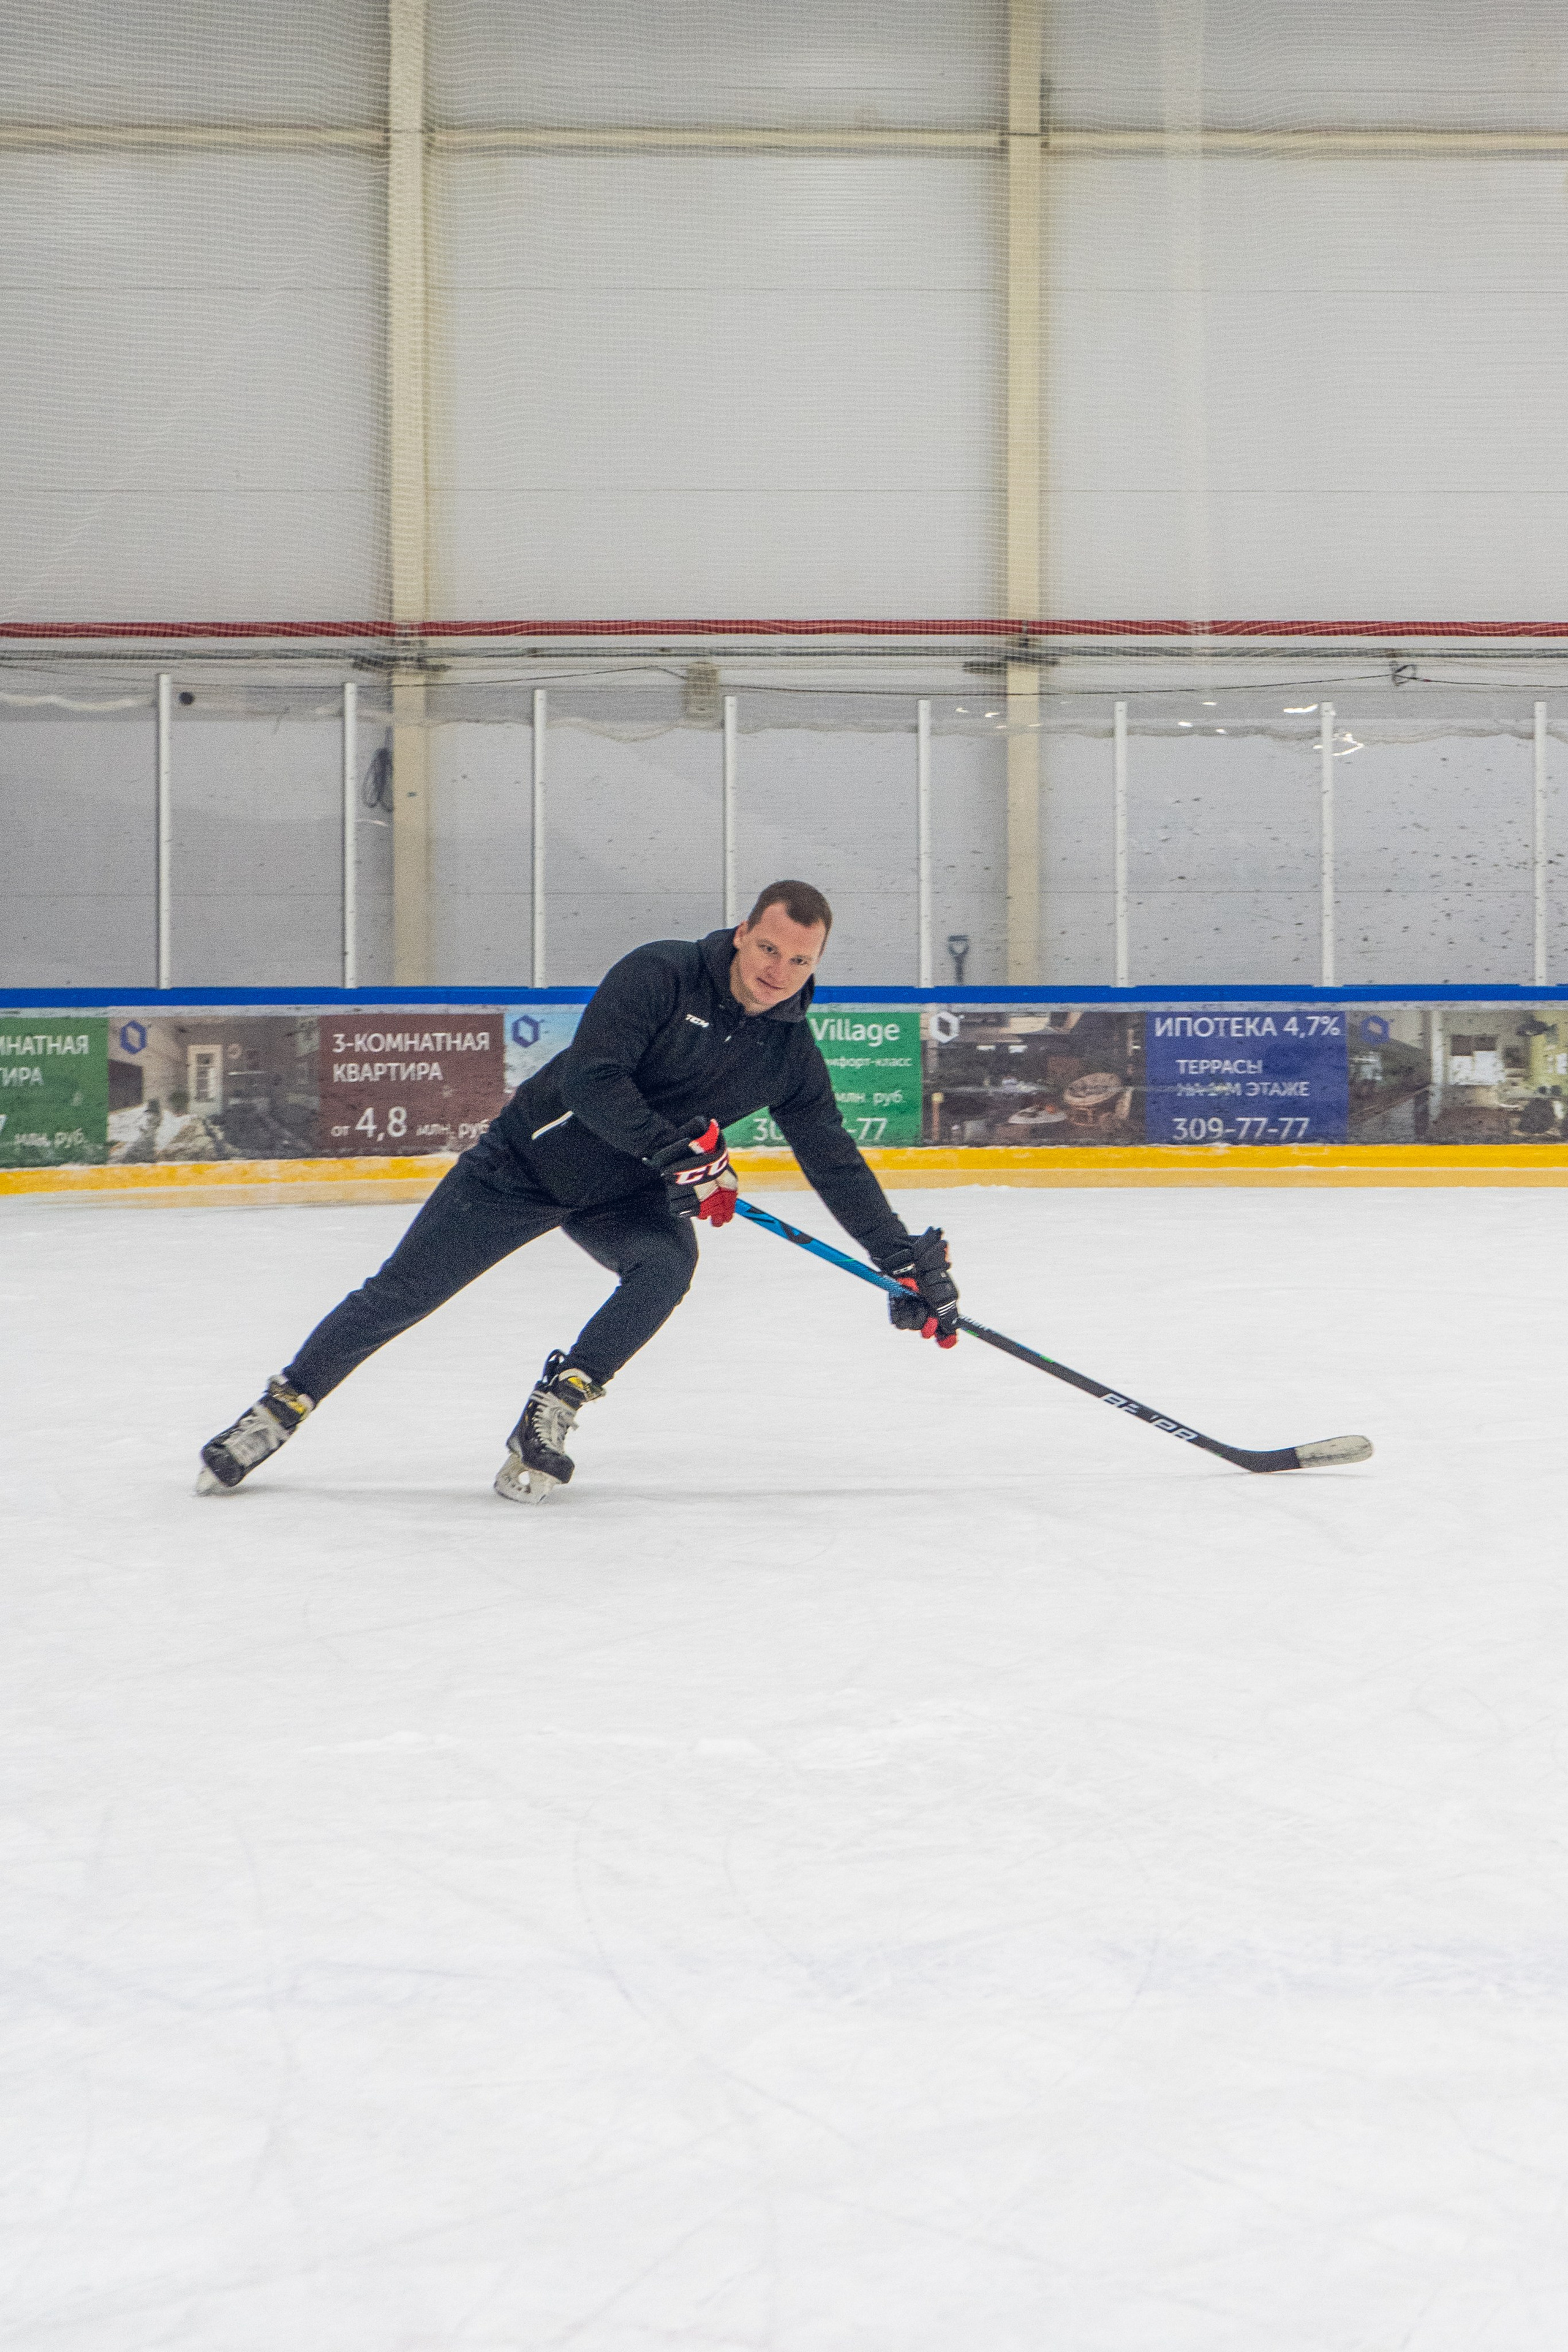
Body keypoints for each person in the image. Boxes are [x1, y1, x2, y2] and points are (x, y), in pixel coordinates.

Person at [198, 881, 960, 1504]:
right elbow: (596, 1081)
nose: (778, 971)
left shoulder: (788, 1053)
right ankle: (280, 1406)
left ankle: (556, 1404)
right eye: (768, 948)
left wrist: (899, 1259)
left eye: (799, 960)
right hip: (525, 1167)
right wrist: (680, 1156)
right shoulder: (660, 973)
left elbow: (832, 1157)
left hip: (628, 1192)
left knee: (665, 1269)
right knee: (401, 1293)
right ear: (740, 934)